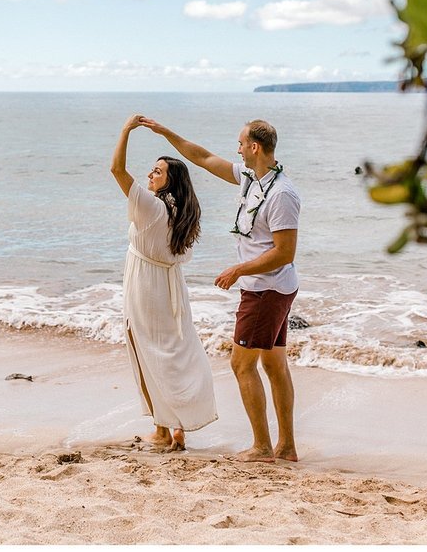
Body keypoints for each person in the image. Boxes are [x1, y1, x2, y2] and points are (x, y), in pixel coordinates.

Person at [140, 117, 300, 463]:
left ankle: (262, 447)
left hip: (266, 289)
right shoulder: (250, 178)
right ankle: (285, 448)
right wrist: (168, 132)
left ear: (255, 148)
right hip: (269, 287)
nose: (237, 149)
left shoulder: (282, 194)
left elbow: (285, 252)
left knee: (242, 365)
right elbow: (202, 157)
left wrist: (238, 270)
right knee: (274, 366)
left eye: (241, 144)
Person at [110, 114, 218, 451]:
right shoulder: (183, 213)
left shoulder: (152, 207)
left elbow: (116, 170)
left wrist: (126, 129)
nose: (150, 174)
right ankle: (171, 426)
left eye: (157, 172)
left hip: (145, 286)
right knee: (170, 351)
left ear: (170, 181)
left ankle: (165, 429)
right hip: (172, 288)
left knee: (146, 350)